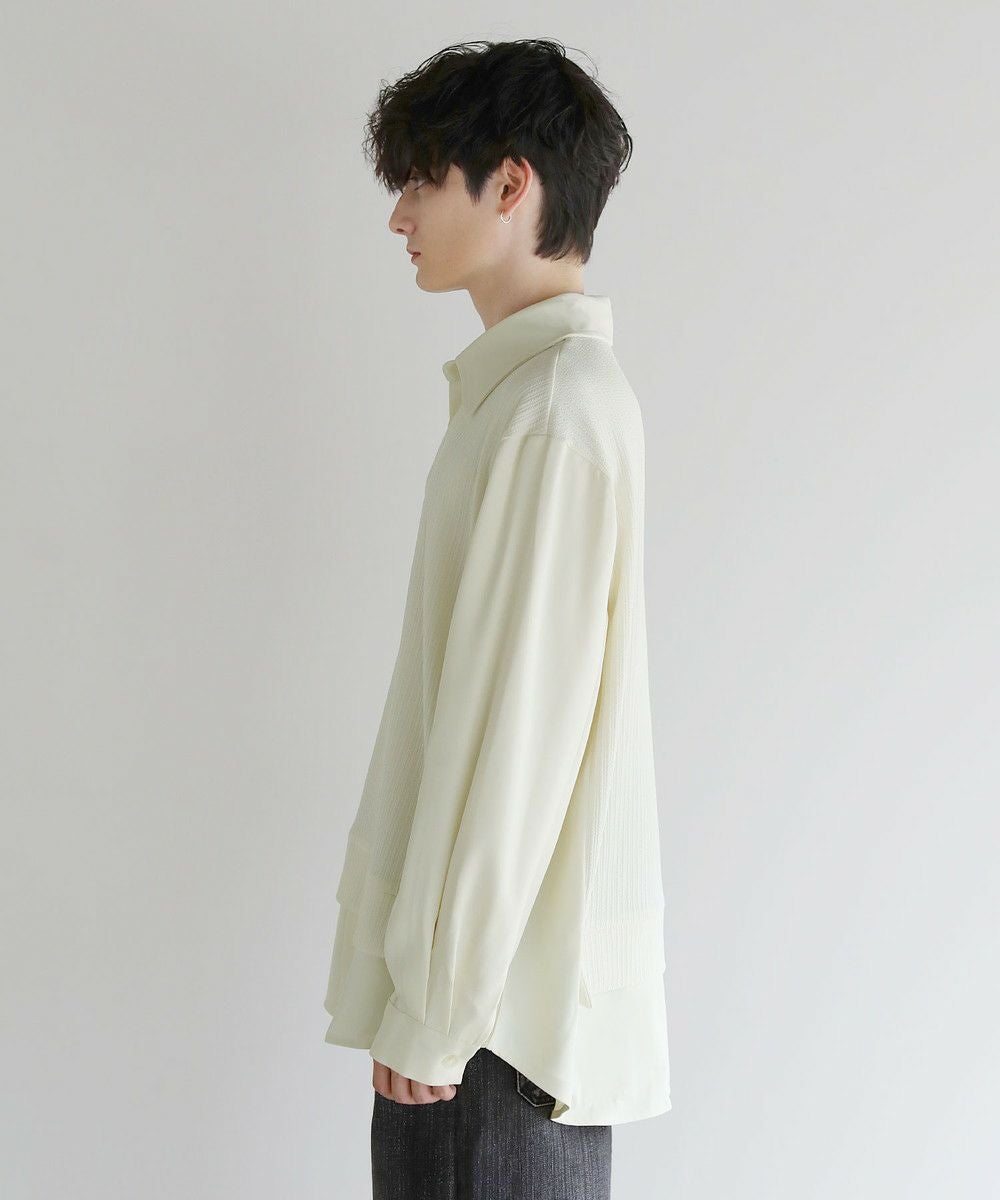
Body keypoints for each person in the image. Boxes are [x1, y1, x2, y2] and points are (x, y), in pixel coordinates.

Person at [322, 37, 671, 1199]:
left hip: (493, 1041)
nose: (399, 217)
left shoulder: (551, 415)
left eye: (421, 181)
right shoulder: (527, 400)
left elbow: (521, 739)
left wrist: (436, 1007)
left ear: (511, 184)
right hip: (492, 1024)